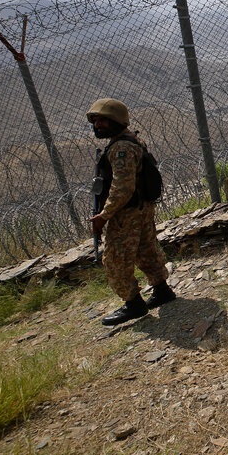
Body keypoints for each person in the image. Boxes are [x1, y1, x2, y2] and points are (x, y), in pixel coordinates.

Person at [87, 98, 175, 326]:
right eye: (95, 121)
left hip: (127, 212)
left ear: (116, 120)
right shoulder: (129, 139)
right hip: (142, 207)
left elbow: (122, 187)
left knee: (115, 260)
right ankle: (161, 290)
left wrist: (103, 216)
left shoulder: (121, 148)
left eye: (102, 121)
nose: (97, 125)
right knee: (146, 249)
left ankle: (133, 303)